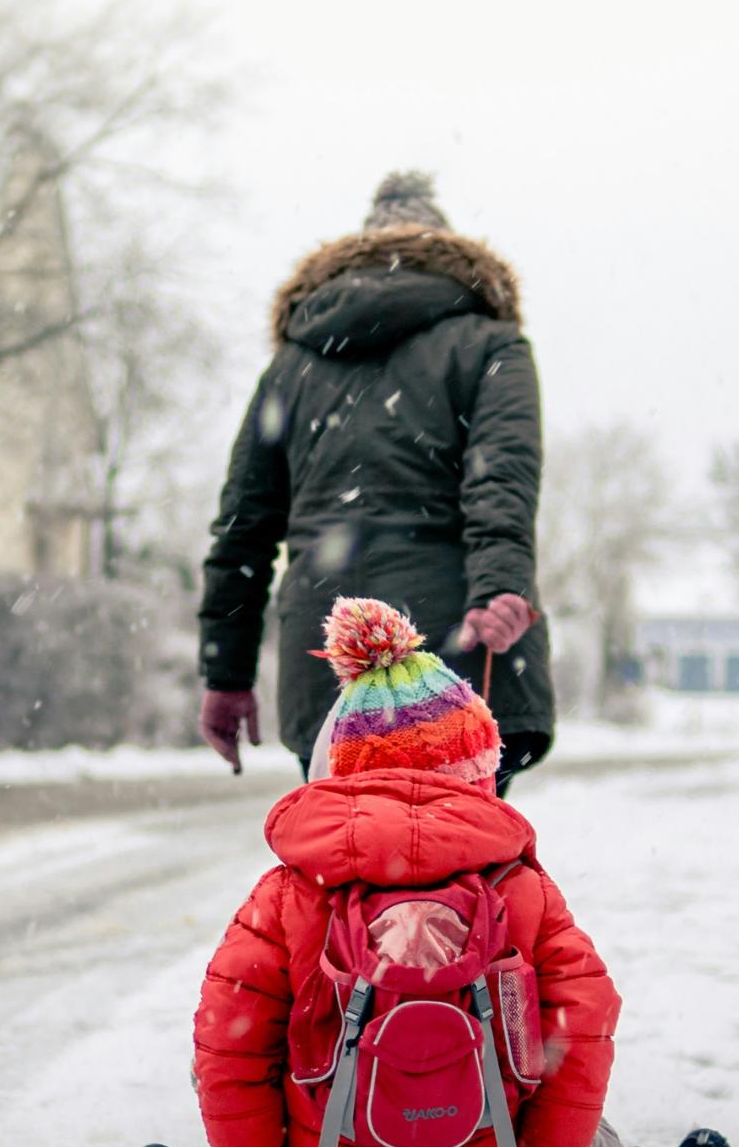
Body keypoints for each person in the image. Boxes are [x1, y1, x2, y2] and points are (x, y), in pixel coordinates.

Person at [132, 597, 730, 1147]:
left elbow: (228, 1048)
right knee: (580, 1134)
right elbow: (584, 1025)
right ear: (480, 769)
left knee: (254, 1113)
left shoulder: (289, 893)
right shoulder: (521, 890)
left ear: (340, 768)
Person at [197, 172, 554, 795]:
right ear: (448, 253)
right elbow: (502, 480)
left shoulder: (293, 365)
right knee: (461, 866)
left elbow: (243, 529)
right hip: (452, 648)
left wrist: (226, 674)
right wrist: (500, 586)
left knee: (340, 862)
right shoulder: (490, 345)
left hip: (329, 652)